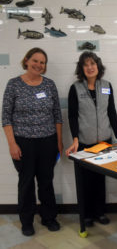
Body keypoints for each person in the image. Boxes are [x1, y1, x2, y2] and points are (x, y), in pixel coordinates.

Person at [2, 47, 63, 236]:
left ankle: (49, 218)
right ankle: (26, 221)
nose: (38, 65)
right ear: (26, 60)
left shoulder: (49, 85)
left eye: (42, 62)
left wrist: (59, 143)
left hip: (48, 141)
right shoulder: (13, 85)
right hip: (23, 142)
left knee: (46, 181)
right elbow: (5, 117)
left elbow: (57, 115)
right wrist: (12, 144)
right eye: (35, 60)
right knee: (26, 182)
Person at [65, 51, 117, 227]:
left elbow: (111, 112)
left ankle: (100, 212)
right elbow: (71, 116)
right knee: (85, 180)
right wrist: (75, 138)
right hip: (84, 143)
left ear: (98, 66)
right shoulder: (76, 88)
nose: (90, 67)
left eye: (92, 63)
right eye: (86, 64)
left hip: (104, 142)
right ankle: (86, 215)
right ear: (82, 68)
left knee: (100, 179)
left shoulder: (106, 85)